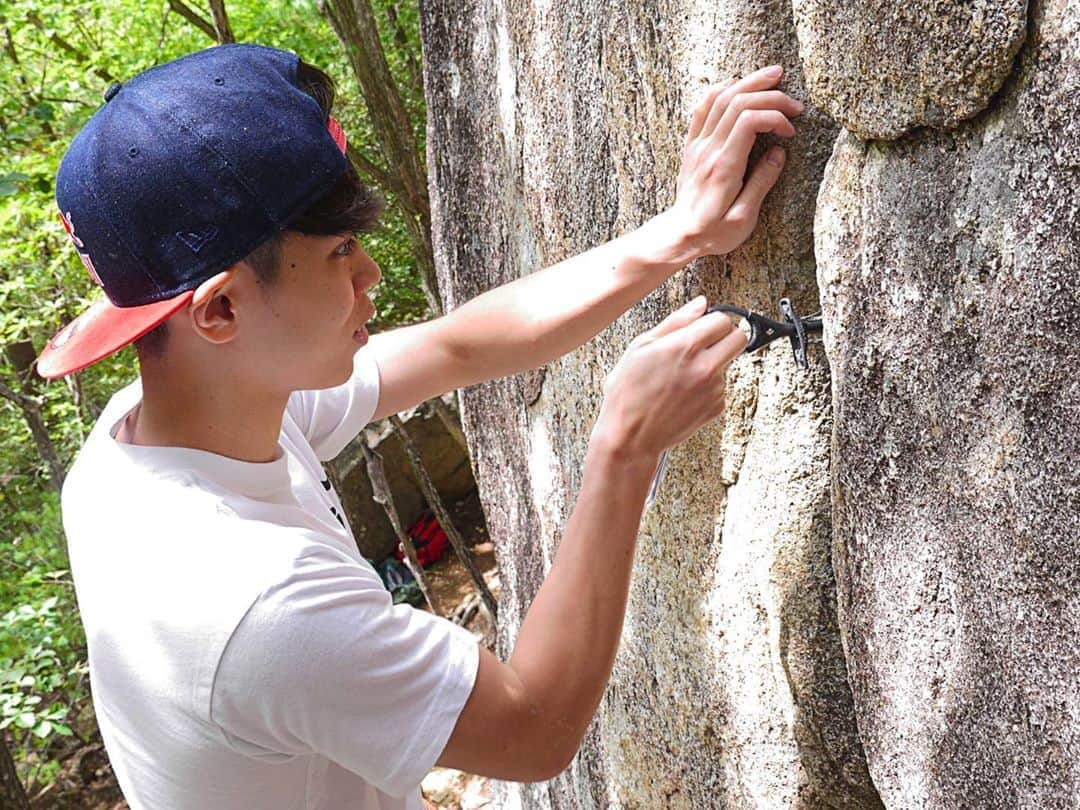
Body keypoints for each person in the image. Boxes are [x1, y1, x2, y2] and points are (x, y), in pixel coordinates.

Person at [38, 43, 802, 810]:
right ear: (221, 309)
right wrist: (627, 447)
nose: (370, 273)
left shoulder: (140, 444)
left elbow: (456, 345)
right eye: (340, 251)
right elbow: (532, 727)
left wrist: (682, 232)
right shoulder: (257, 605)